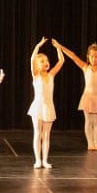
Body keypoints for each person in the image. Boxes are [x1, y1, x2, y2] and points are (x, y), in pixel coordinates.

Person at [28, 37, 64, 168]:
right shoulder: (36, 76)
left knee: (46, 135)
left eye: (47, 60)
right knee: (38, 134)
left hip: (48, 107)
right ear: (37, 65)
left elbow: (61, 61)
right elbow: (32, 59)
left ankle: (45, 160)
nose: (46, 63)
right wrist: (38, 46)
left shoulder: (51, 75)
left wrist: (58, 48)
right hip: (38, 107)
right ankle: (38, 160)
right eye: (42, 61)